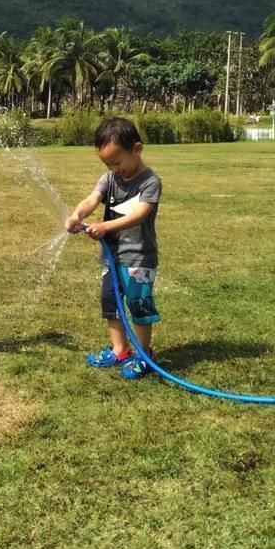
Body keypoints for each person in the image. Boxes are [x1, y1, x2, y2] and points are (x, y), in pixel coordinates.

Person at [66, 117, 162, 380]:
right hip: (111, 258)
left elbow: (139, 215)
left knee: (138, 305)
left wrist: (106, 227)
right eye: (107, 164)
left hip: (138, 259)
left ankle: (144, 355)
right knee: (111, 303)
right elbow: (91, 200)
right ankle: (120, 350)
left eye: (117, 162)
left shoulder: (150, 182)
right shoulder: (109, 178)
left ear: (137, 149)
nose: (113, 168)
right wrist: (77, 215)